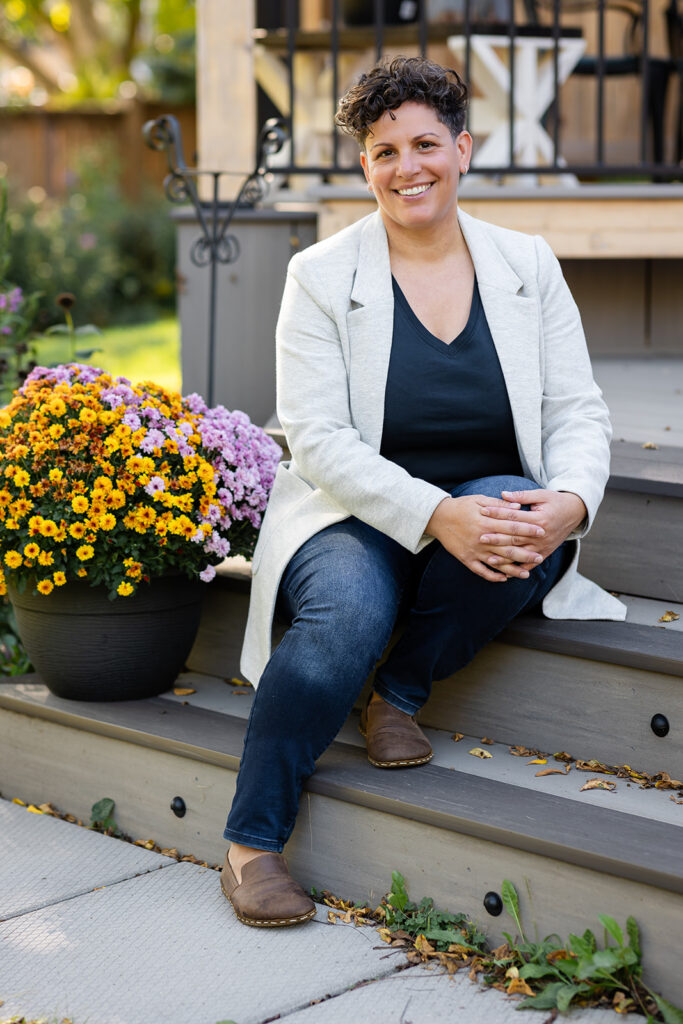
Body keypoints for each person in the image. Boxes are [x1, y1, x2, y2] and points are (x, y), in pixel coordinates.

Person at [219, 56, 626, 928]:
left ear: (462, 149)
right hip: (352, 511)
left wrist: (572, 502)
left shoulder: (526, 263)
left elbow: (577, 409)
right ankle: (252, 845)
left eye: (425, 144)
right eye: (383, 150)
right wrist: (433, 515)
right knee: (343, 622)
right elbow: (318, 439)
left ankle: (397, 693)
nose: (408, 167)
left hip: (484, 496)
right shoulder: (322, 276)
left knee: (524, 513)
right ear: (364, 166)